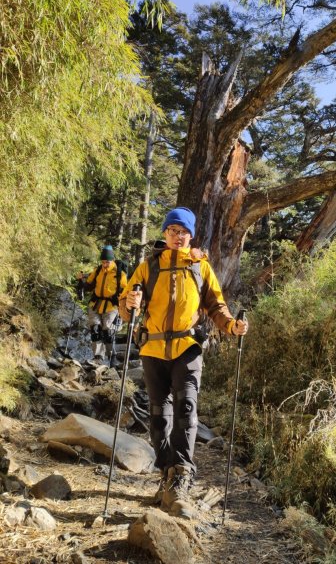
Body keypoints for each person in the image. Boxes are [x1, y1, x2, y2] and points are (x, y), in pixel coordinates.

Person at [119, 207, 248, 519]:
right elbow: (127, 308)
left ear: (191, 236)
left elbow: (216, 305)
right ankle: (166, 473)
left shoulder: (200, 267)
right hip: (151, 348)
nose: (178, 236)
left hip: (187, 348)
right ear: (165, 233)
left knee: (186, 411)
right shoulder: (148, 266)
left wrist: (231, 325)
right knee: (158, 417)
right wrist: (128, 304)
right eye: (173, 230)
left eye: (184, 232)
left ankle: (182, 477)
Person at [77, 245, 128, 367]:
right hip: (95, 304)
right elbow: (89, 286)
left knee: (108, 331)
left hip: (112, 306)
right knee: (95, 329)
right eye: (103, 262)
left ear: (112, 260)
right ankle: (98, 358)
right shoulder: (98, 270)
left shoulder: (120, 274)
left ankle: (112, 358)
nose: (105, 264)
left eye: (107, 262)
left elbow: (125, 291)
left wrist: (123, 308)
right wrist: (81, 281)